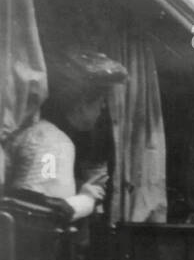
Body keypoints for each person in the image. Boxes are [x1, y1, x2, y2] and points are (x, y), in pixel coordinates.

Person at [6, 46, 127, 221]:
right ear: (80, 102)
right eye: (101, 100)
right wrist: (86, 200)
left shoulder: (43, 133)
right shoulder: (52, 142)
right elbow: (41, 212)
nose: (103, 107)